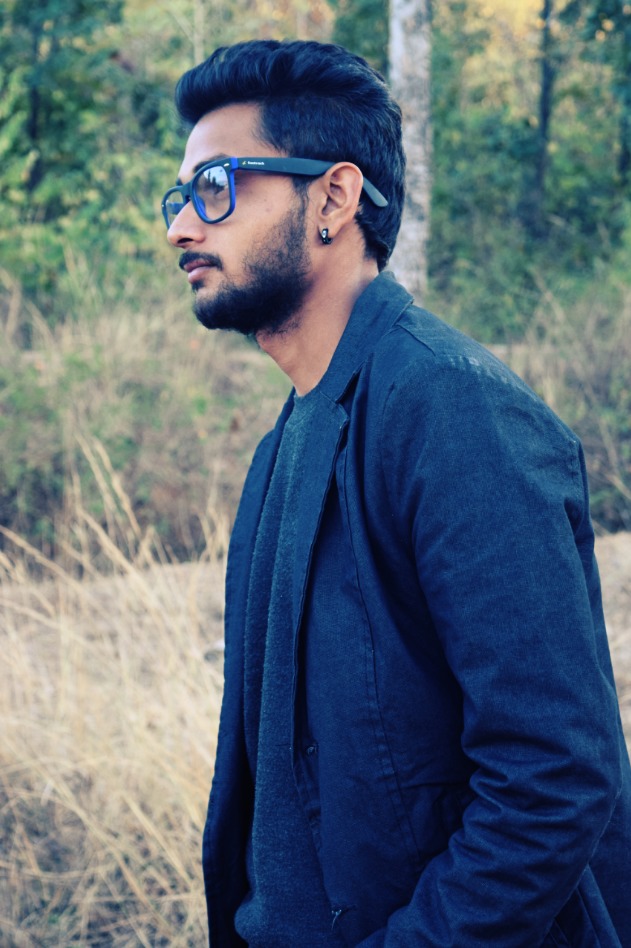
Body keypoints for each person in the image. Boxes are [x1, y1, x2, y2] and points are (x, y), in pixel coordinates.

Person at [163, 39, 631, 947]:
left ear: (333, 198)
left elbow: (553, 779)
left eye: (215, 186)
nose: (182, 226)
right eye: (178, 197)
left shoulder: (457, 415)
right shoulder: (283, 445)